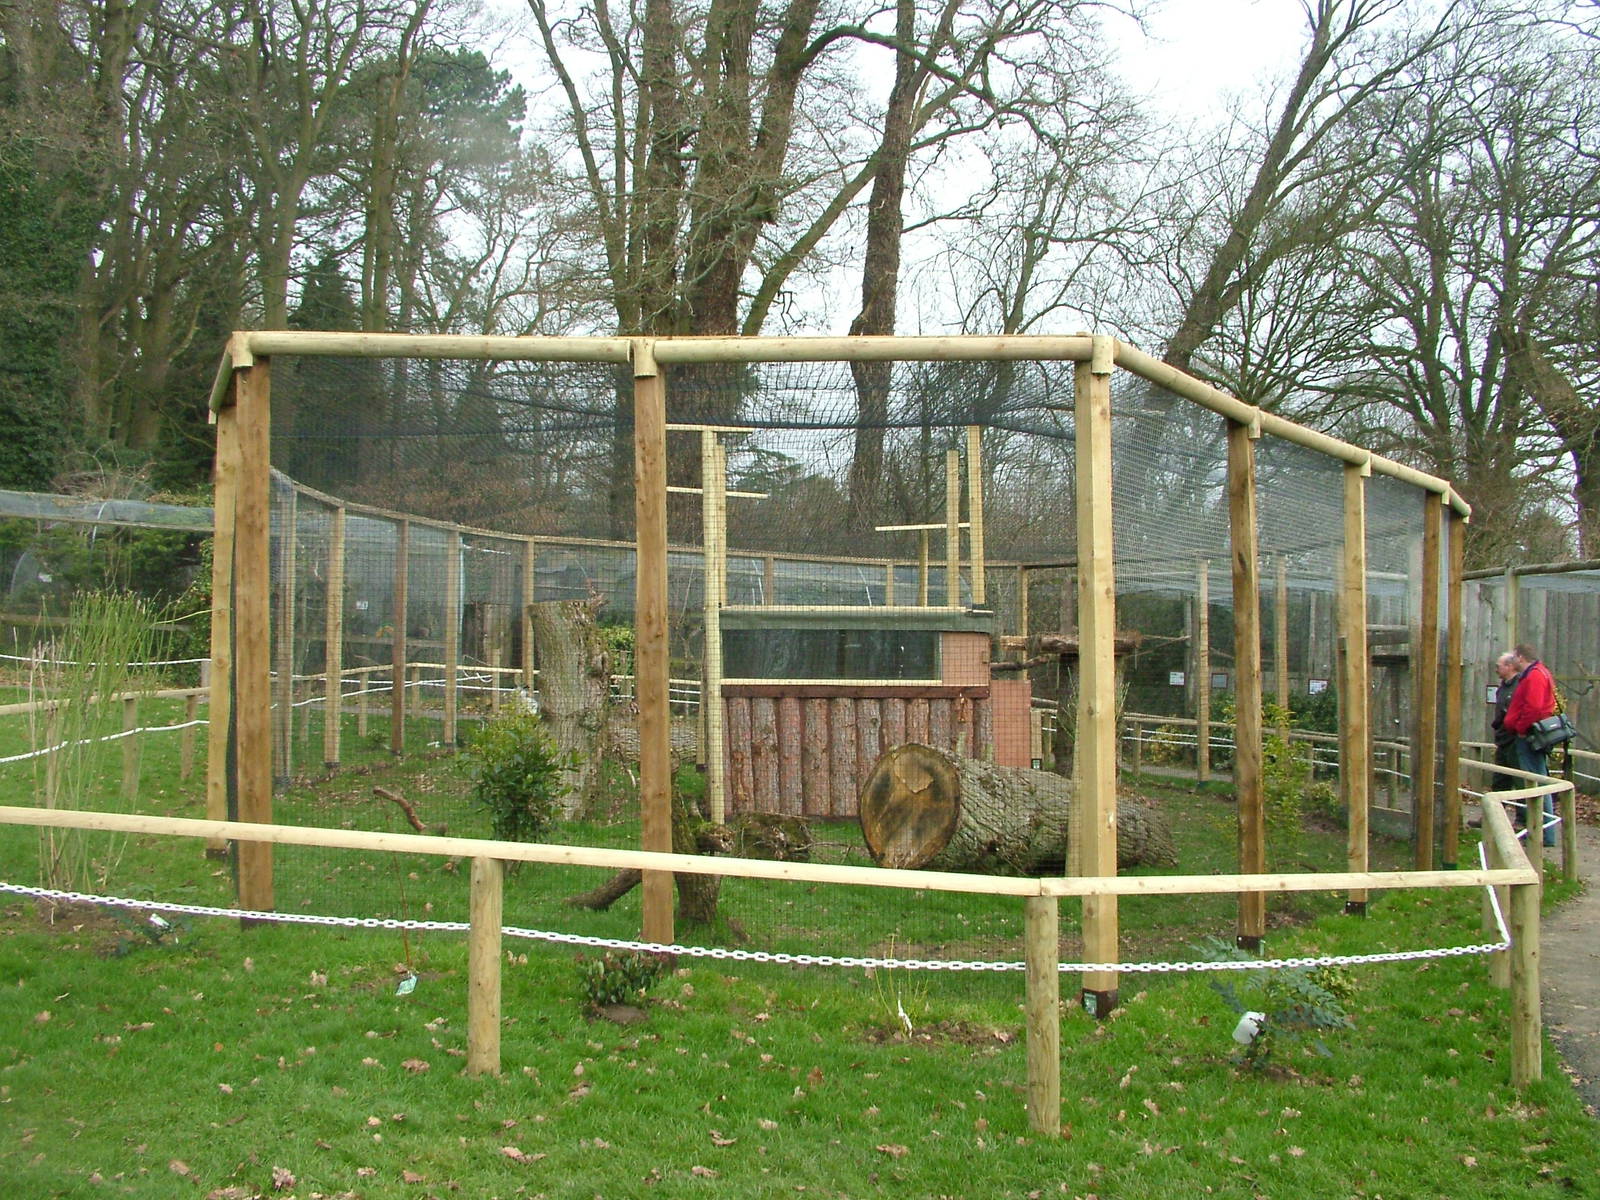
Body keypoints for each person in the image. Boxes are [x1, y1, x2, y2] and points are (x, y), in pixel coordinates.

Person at [1502, 642, 1558, 847]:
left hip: (1529, 736)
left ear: (1520, 657)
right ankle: (1541, 831)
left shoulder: (1534, 676)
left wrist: (1521, 728)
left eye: (1514, 657)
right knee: (1537, 781)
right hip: (1528, 734)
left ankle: (1544, 833)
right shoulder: (1538, 673)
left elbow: (1534, 707)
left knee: (1536, 783)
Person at [1489, 652, 1520, 795]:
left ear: (1509, 666)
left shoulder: (1519, 686)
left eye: (1498, 666)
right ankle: (1493, 815)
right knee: (1499, 780)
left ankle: (1523, 817)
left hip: (1515, 740)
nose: (1496, 669)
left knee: (1520, 781)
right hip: (1502, 739)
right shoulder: (1503, 687)